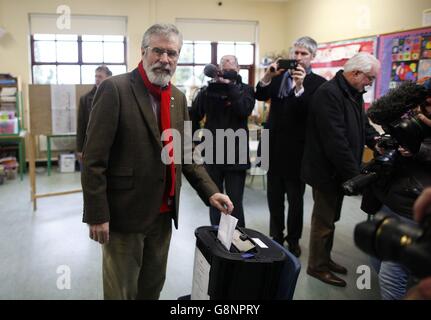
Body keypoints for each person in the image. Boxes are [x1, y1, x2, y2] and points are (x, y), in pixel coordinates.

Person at [81, 23, 233, 300]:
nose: (165, 59)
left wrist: (212, 191)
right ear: (143, 51)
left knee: (152, 288)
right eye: (158, 51)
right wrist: (97, 214)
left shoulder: (178, 97)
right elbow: (93, 160)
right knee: (122, 291)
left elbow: (188, 155)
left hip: (164, 214)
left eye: (172, 54)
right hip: (123, 215)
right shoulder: (115, 90)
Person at [302, 52, 380, 287]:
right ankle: (317, 266)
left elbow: (362, 124)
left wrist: (375, 140)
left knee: (331, 219)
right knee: (323, 221)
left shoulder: (354, 92)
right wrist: (356, 176)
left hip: (340, 171)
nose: (370, 83)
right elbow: (335, 141)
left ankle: (325, 260)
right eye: (370, 78)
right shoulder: (328, 94)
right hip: (326, 172)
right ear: (355, 73)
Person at [255, 36, 326, 256]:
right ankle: (276, 236)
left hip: (297, 152)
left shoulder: (319, 84)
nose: (298, 57)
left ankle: (293, 239)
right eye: (295, 53)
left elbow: (310, 112)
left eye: (303, 54)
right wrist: (267, 75)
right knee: (274, 199)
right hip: (272, 147)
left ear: (313, 57)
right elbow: (259, 94)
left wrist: (299, 87)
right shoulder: (277, 77)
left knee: (295, 201)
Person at [191, 55, 255, 227]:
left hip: (236, 155)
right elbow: (193, 115)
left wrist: (230, 86)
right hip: (212, 153)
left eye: (230, 70)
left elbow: (243, 110)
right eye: (222, 70)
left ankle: (237, 240)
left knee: (235, 202)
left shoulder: (246, 90)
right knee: (215, 200)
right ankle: (215, 238)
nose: (226, 74)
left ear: (238, 69)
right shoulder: (209, 91)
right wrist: (197, 141)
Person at [76, 65, 112, 163]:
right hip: (92, 145)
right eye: (96, 76)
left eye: (100, 76)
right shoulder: (85, 99)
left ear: (108, 78)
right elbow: (81, 125)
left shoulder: (117, 96)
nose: (97, 79)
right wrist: (80, 149)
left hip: (112, 145)